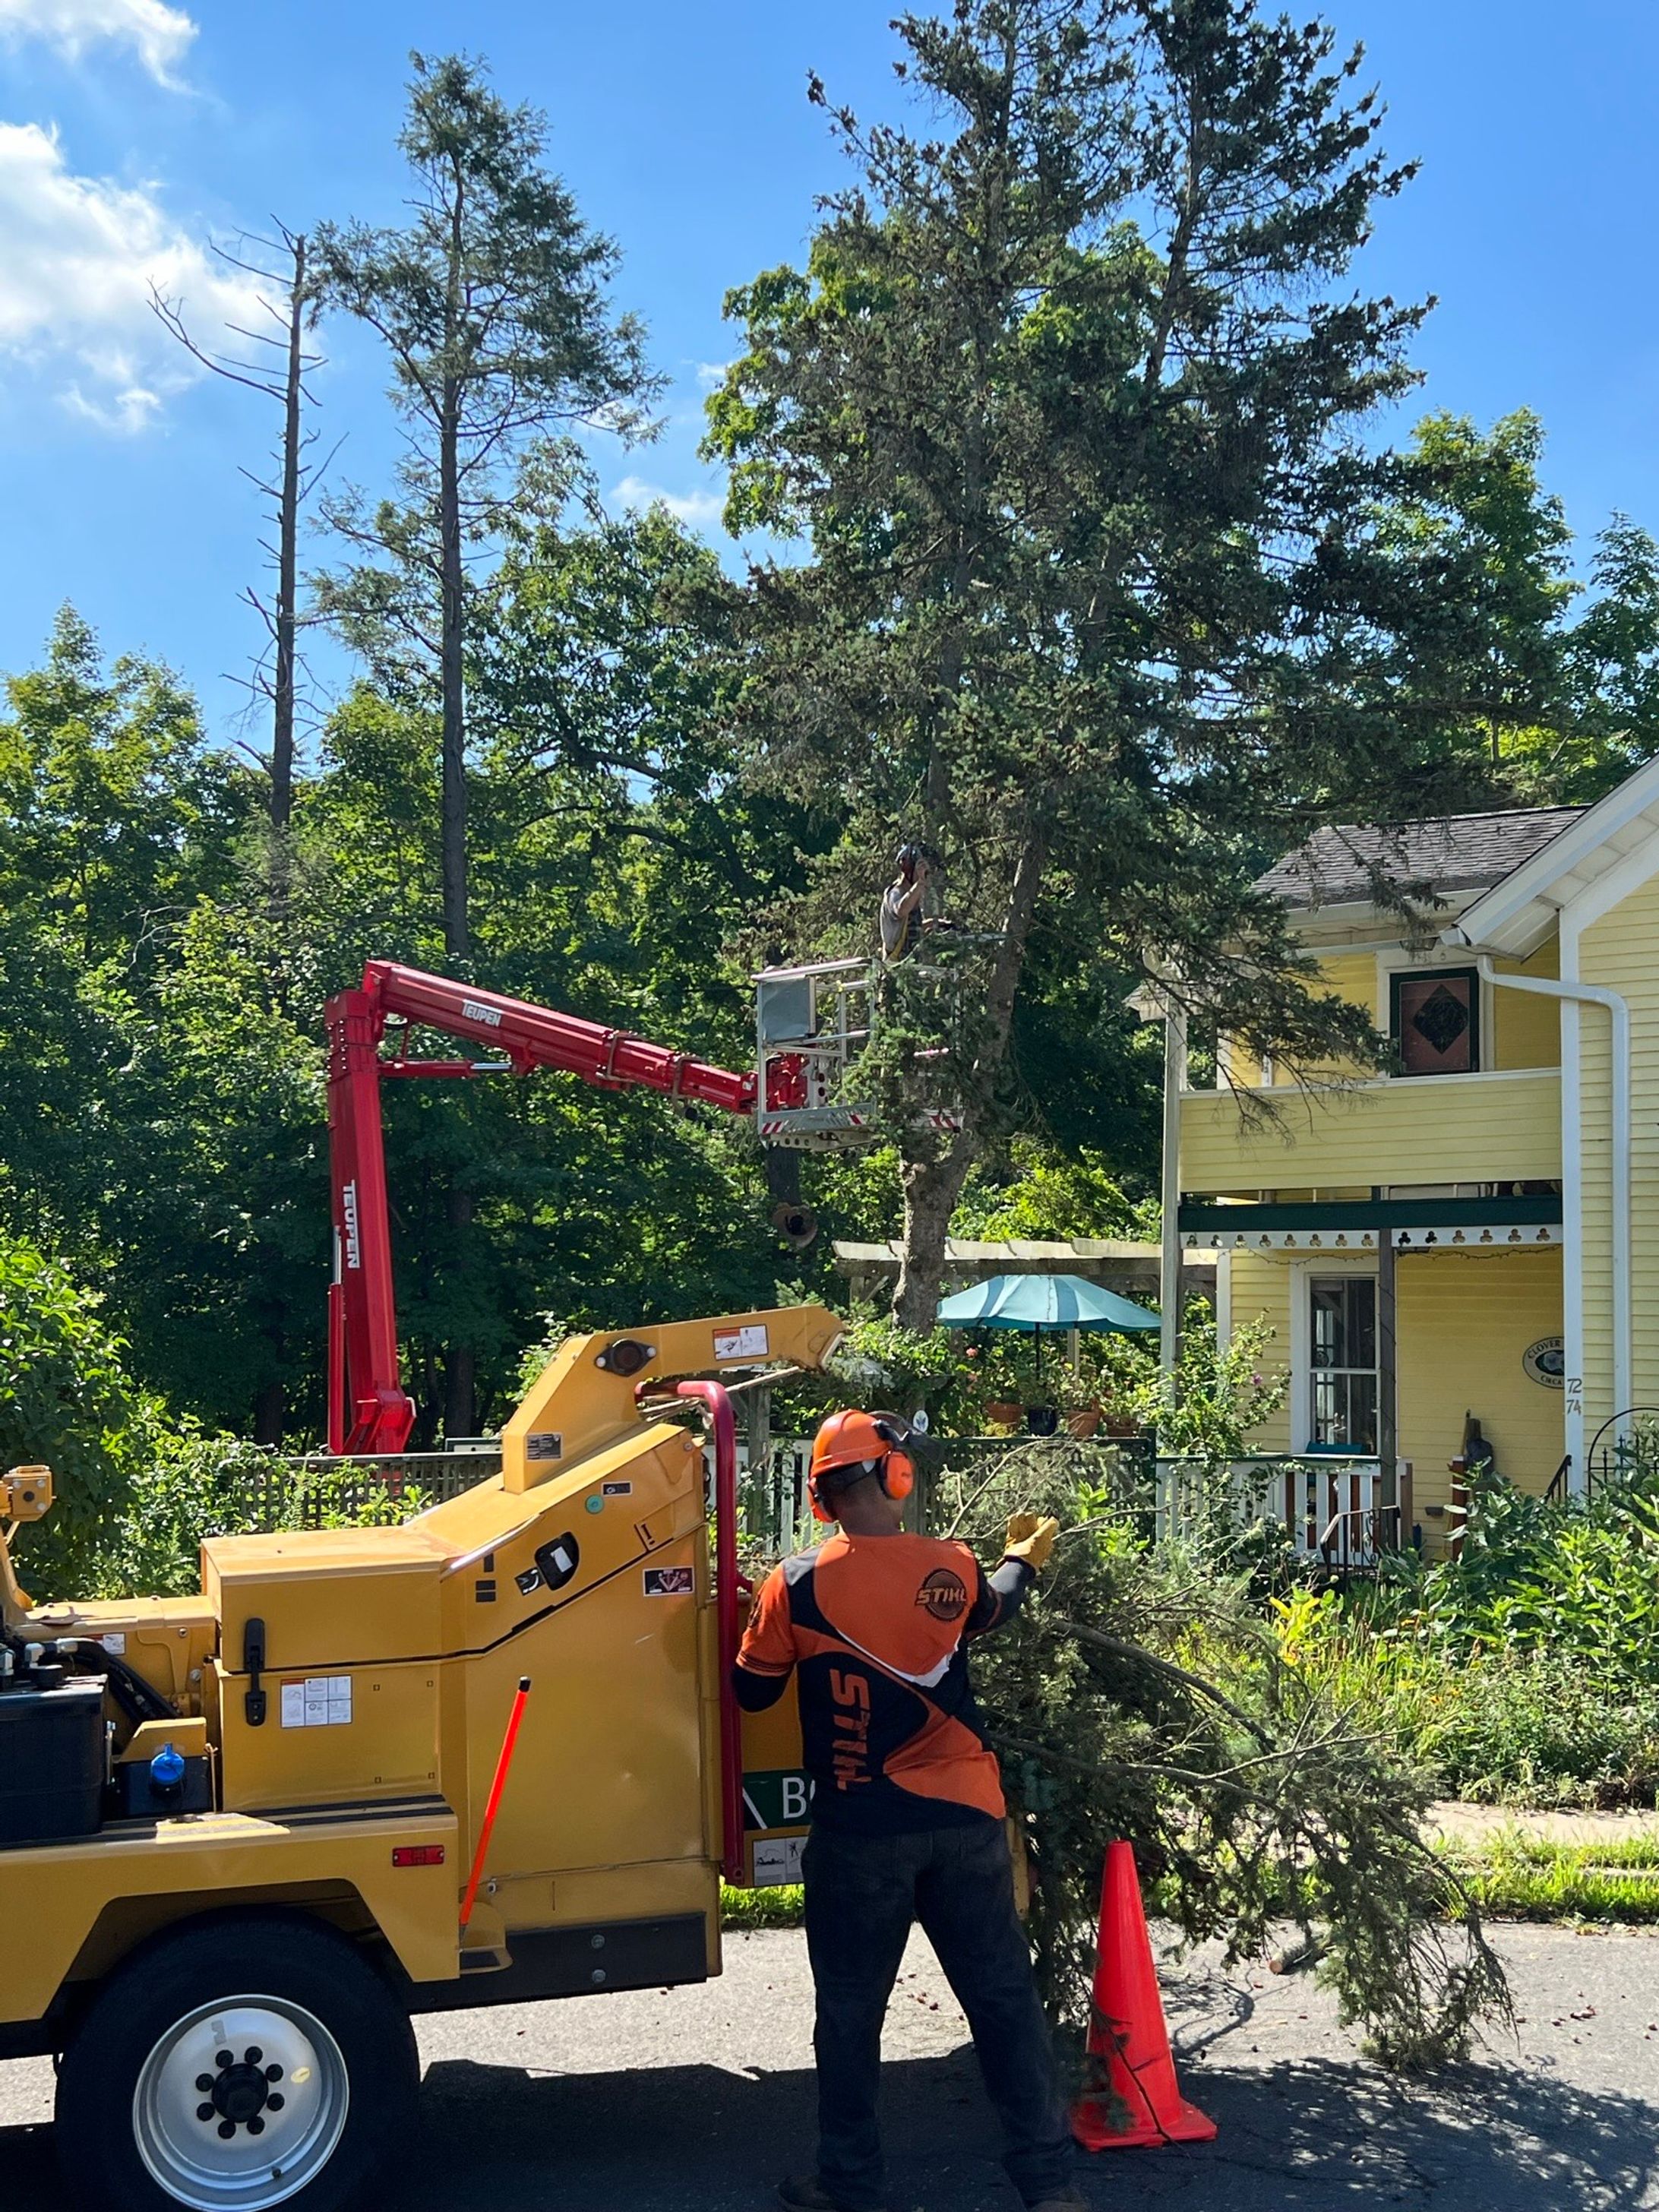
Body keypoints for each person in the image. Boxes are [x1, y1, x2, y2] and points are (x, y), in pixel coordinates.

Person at [733, 1408, 1084, 2212]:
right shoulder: (953, 1565)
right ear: (896, 1475)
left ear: (820, 1498)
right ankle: (1049, 2185)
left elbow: (751, 1690)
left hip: (860, 1830)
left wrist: (757, 1618)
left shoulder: (796, 1583)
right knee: (1002, 1999)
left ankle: (849, 2182)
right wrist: (1020, 1560)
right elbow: (997, 1606)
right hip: (966, 1820)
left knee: (850, 2013)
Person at [877, 844, 930, 962]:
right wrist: (920, 883)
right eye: (920, 871)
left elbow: (911, 928)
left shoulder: (914, 895)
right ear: (908, 869)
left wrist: (938, 924)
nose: (924, 876)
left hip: (912, 963)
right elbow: (901, 910)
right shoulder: (895, 893)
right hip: (895, 964)